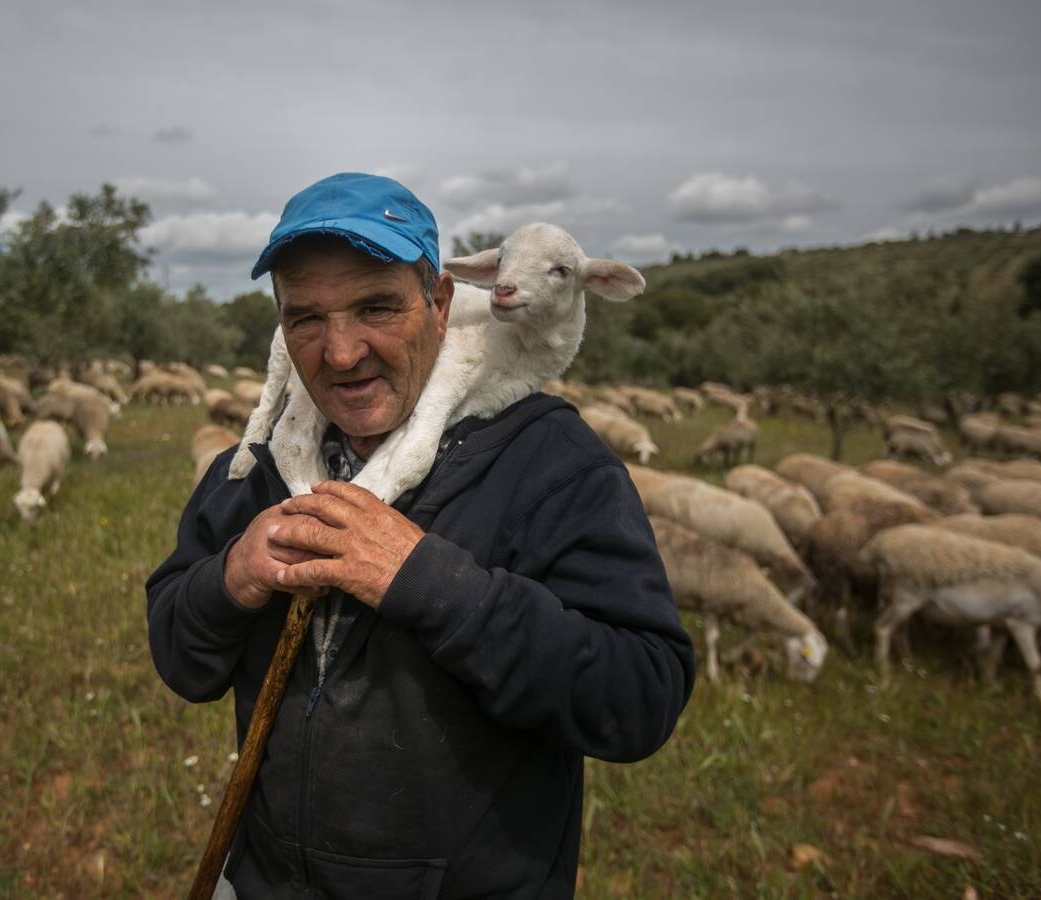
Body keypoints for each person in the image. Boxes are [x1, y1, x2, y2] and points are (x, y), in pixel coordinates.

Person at [146, 172, 694, 898]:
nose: (341, 354)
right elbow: (180, 658)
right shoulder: (256, 469)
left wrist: (434, 584)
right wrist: (229, 581)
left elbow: (640, 697)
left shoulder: (553, 464)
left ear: (440, 304)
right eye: (306, 318)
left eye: (377, 307)